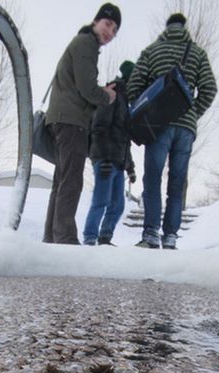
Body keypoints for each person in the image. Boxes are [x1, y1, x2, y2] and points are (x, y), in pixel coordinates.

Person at [127, 13, 217, 250]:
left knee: (153, 179)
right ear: (184, 28)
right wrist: (191, 112)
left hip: (158, 125)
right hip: (185, 130)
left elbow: (134, 87)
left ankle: (150, 234)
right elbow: (209, 88)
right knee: (177, 183)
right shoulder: (197, 53)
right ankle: (171, 236)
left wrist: (149, 109)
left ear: (166, 29)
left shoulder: (151, 51)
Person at [43, 4, 121, 245]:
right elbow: (87, 88)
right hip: (71, 121)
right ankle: (64, 238)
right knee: (72, 181)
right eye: (108, 24)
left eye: (115, 30)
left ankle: (51, 238)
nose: (110, 32)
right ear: (96, 21)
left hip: (61, 119)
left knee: (62, 181)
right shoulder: (86, 44)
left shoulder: (83, 44)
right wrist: (106, 95)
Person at [82, 60, 136, 246]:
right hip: (105, 159)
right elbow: (99, 127)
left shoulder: (126, 102)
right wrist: (103, 157)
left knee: (118, 205)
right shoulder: (111, 96)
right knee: (101, 200)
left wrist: (130, 168)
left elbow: (125, 139)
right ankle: (90, 237)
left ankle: (105, 238)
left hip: (118, 162)